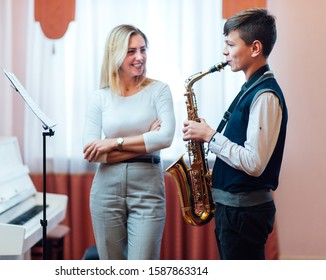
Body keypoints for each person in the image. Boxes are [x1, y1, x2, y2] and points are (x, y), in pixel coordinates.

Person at [182, 8, 288, 260]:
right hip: (235, 210)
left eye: (230, 44)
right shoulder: (252, 88)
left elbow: (254, 163)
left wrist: (210, 136)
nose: (224, 51)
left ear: (255, 48)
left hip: (245, 213)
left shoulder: (265, 95)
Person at [82, 24, 175, 260]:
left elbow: (165, 137)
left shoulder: (159, 91)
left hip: (148, 189)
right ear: (115, 54)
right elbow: (92, 152)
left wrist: (113, 143)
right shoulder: (100, 97)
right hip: (106, 190)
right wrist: (146, 139)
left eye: (143, 50)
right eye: (131, 51)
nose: (140, 57)